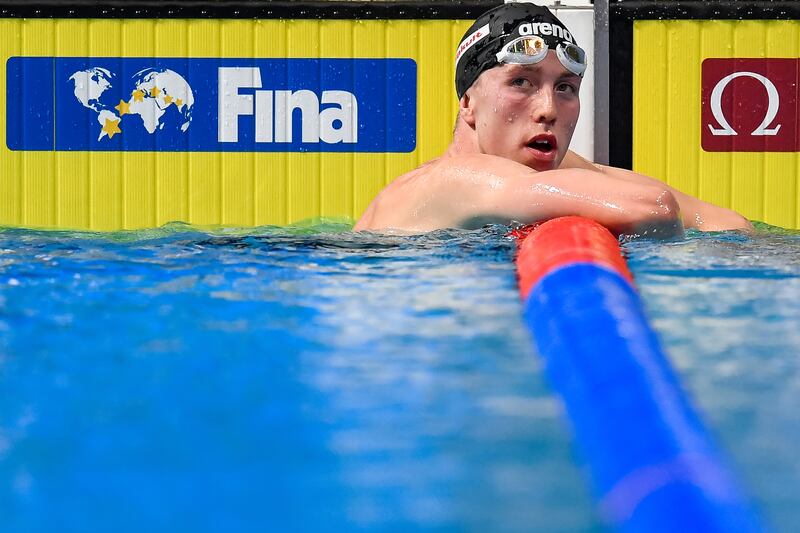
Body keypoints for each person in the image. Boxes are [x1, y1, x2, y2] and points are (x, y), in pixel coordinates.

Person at [354, 2, 753, 236]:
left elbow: (728, 223)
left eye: (565, 87)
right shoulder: (458, 179)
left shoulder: (544, 173)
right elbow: (656, 207)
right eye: (521, 82)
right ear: (468, 104)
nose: (547, 109)